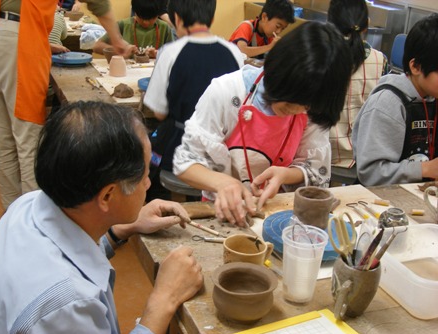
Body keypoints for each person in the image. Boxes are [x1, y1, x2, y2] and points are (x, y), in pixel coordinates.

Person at [0, 101, 203, 334]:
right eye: (143, 175)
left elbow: (69, 247)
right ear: (108, 195)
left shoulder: (27, 204)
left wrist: (121, 228)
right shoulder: (66, 306)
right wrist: (163, 300)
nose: (148, 183)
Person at [174, 21, 353, 226]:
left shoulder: (312, 105)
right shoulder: (227, 92)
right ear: (279, 72)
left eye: (307, 106)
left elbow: (314, 168)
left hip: (276, 213)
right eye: (293, 102)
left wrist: (285, 175)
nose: (300, 111)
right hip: (222, 213)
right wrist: (223, 183)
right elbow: (186, 164)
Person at [0, 0, 132, 210]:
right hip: (21, 37)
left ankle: (13, 215)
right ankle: (33, 223)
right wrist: (118, 40)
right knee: (28, 138)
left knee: (4, 140)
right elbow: (98, 3)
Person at [143, 0, 244, 201]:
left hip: (181, 149)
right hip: (223, 150)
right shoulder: (233, 52)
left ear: (177, 19)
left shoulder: (170, 52)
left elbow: (159, 112)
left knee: (149, 160)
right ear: (212, 18)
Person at [352, 13, 438, 186]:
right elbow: (371, 173)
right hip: (380, 202)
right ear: (415, 66)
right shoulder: (387, 104)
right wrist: (426, 169)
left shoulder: (432, 95)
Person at [328, 0, 388, 171]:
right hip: (363, 157)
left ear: (330, 23)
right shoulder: (380, 60)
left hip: (322, 153)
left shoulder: (318, 55)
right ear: (366, 24)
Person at [93, 0, 174, 59]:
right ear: (135, 12)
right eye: (141, 17)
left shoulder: (165, 28)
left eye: (151, 18)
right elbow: (97, 46)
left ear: (158, 14)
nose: (145, 22)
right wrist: (120, 51)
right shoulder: (123, 25)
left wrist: (158, 54)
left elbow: (174, 55)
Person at [229, 0, 294, 59]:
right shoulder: (246, 26)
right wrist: (269, 47)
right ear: (264, 17)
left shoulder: (269, 36)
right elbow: (242, 51)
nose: (278, 31)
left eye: (282, 29)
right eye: (277, 26)